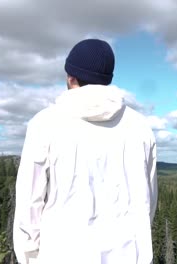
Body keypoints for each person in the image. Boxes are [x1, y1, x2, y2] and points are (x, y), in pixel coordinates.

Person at [13, 39, 158, 264]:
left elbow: (30, 202)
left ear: (71, 78)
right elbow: (148, 199)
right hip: (129, 254)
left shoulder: (45, 124)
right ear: (108, 79)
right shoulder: (140, 127)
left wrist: (29, 257)